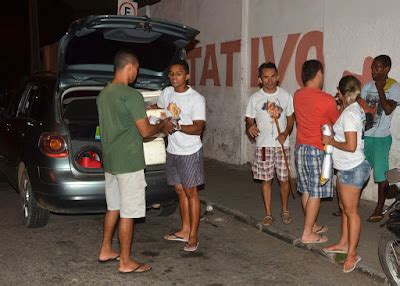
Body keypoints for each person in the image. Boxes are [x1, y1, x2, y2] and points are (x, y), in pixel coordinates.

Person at [97, 50, 173, 273]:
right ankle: (126, 261)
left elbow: (121, 121)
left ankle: (105, 249)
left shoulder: (103, 94)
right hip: (129, 162)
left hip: (111, 161)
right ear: (129, 67)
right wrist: (162, 125)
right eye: (137, 69)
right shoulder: (131, 95)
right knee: (128, 212)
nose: (137, 74)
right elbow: (146, 131)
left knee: (113, 207)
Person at [322, 75, 370, 273]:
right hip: (345, 168)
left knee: (351, 212)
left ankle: (352, 254)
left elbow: (351, 146)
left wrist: (330, 141)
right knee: (344, 208)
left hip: (352, 168)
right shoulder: (352, 109)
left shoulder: (350, 114)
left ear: (341, 93)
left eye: (338, 93)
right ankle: (343, 243)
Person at [157, 60, 206, 252]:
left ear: (187, 76)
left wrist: (175, 126)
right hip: (173, 150)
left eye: (178, 73)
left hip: (189, 151)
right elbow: (160, 110)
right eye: (171, 74)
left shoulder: (196, 98)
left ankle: (193, 234)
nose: (174, 77)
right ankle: (185, 229)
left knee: (191, 192)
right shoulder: (167, 92)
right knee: (179, 190)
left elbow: (198, 127)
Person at [294, 60, 340, 244]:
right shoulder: (326, 99)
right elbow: (336, 121)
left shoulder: (297, 95)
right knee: (316, 193)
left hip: (300, 149)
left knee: (306, 190)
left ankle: (311, 225)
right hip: (317, 150)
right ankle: (307, 234)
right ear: (319, 74)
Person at [245, 62, 295, 226]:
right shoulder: (255, 98)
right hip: (264, 146)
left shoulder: (286, 96)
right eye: (265, 77)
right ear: (260, 79)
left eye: (273, 76)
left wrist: (285, 133)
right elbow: (249, 119)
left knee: (284, 179)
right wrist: (250, 126)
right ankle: (268, 213)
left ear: (278, 77)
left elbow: (290, 118)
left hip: (282, 144)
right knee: (266, 180)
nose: (270, 80)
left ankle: (285, 210)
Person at [359, 55, 400, 222]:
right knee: (359, 172)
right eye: (372, 67)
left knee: (381, 175)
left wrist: (381, 88)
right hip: (366, 136)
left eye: (377, 67)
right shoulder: (367, 87)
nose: (373, 70)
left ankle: (379, 208)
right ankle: (351, 204)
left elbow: (389, 109)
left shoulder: (394, 86)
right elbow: (361, 110)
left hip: (381, 138)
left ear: (387, 69)